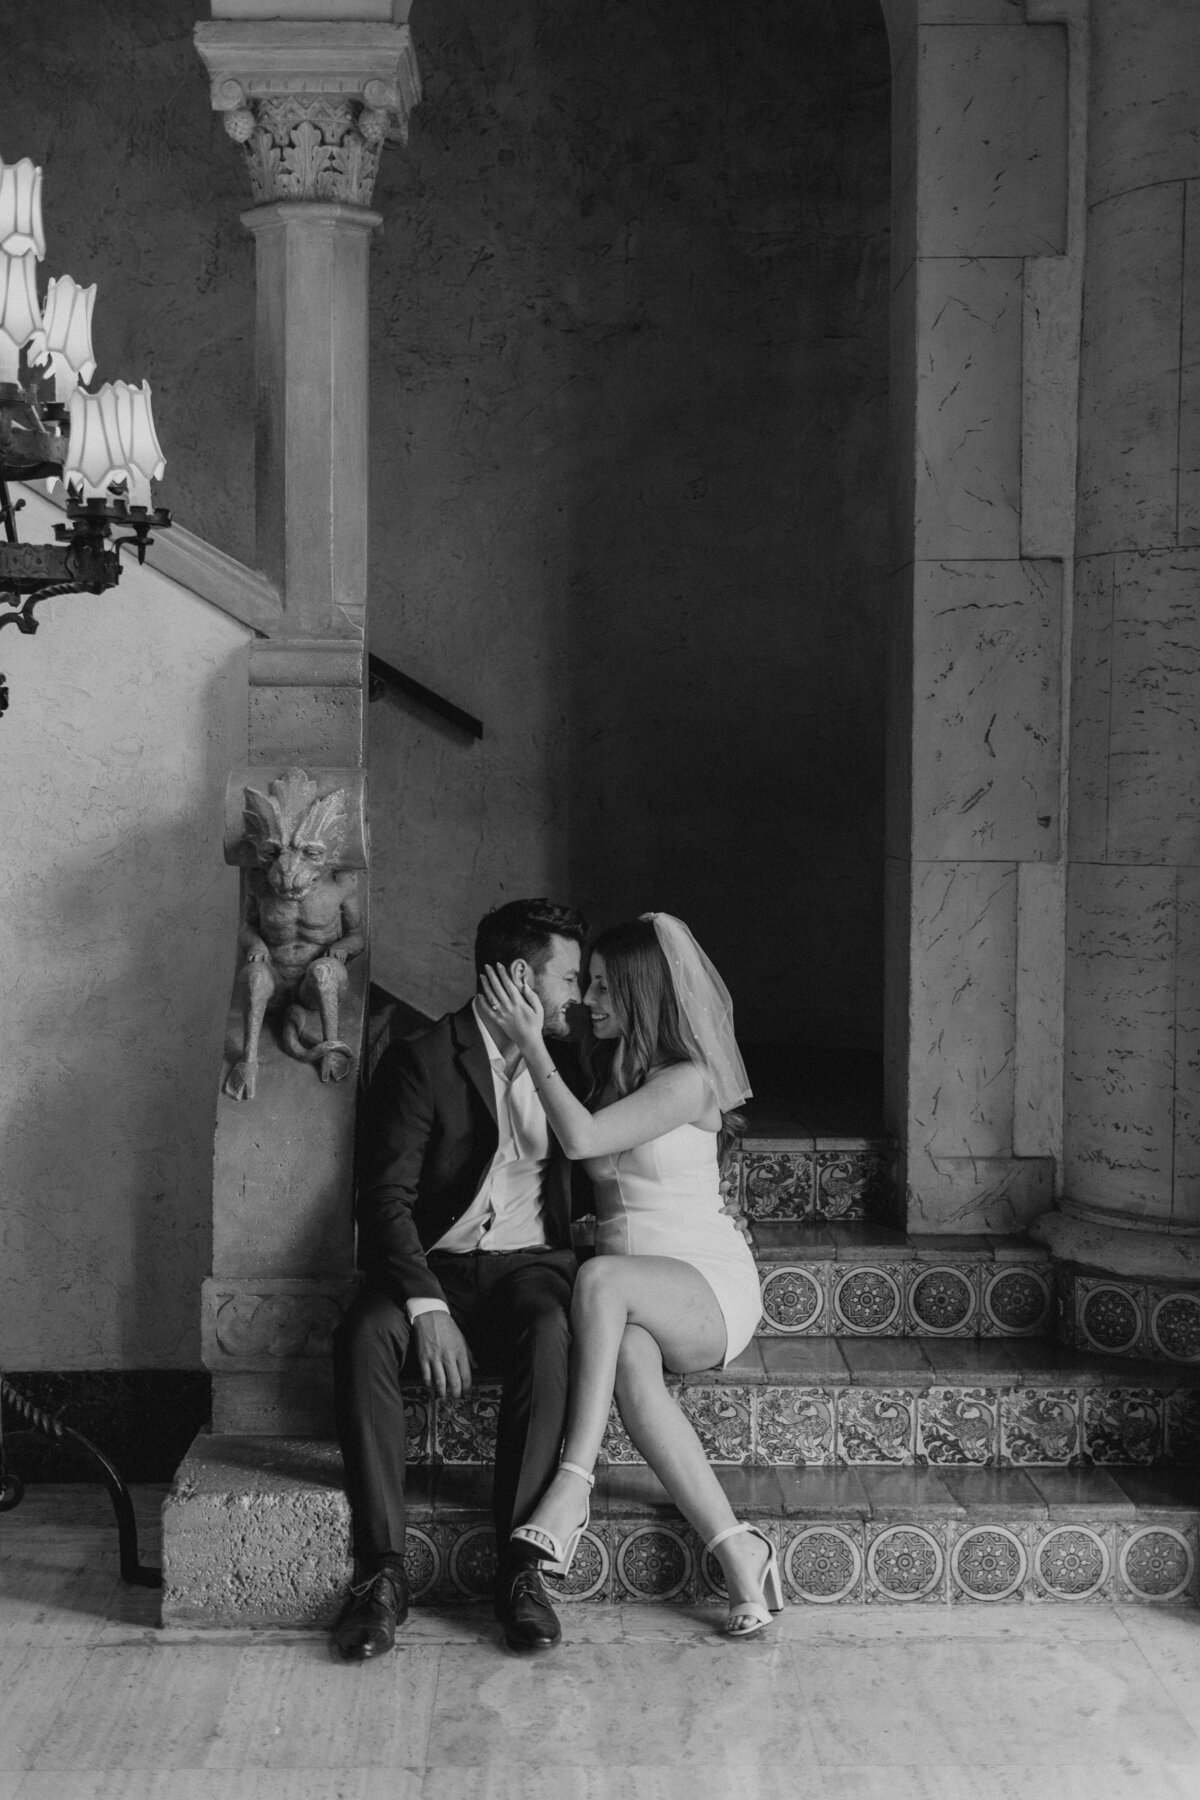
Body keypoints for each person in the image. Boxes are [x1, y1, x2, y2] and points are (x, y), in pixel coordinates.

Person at [480, 911, 780, 1639]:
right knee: (631, 1366)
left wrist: (530, 1042)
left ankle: (572, 1487)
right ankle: (738, 1550)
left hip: (705, 1282)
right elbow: (611, 1191)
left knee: (600, 1282)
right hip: (638, 1291)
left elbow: (583, 1140)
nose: (588, 1000)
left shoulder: (689, 1080)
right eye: (587, 983)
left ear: (645, 993)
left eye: (606, 987)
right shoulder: (608, 1073)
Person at [331, 898, 588, 1660]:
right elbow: (384, 1201)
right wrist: (426, 1304)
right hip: (433, 1264)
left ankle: (520, 1568)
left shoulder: (570, 1059)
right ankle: (381, 1572)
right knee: (363, 1333)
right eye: (569, 978)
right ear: (521, 979)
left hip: (528, 1269)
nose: (578, 996)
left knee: (550, 1327)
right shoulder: (423, 1059)